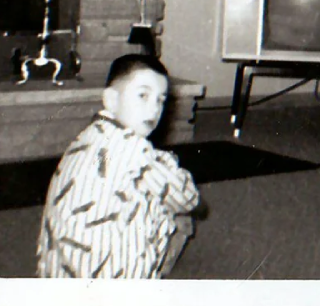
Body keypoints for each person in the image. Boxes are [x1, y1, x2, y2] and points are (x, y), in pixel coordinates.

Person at [36, 54, 200, 278]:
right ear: (111, 100)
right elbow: (188, 199)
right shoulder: (137, 152)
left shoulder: (87, 138)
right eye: (143, 95)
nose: (154, 109)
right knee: (181, 216)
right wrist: (171, 167)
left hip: (58, 275)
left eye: (160, 100)